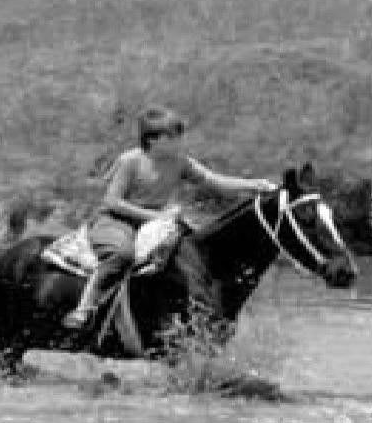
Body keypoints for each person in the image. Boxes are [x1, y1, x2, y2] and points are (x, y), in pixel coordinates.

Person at [63, 105, 278, 329]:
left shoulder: (180, 162)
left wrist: (255, 185)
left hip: (155, 224)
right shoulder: (131, 161)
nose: (179, 142)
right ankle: (83, 309)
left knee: (190, 253)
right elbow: (112, 202)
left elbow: (215, 181)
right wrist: (155, 216)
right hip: (115, 222)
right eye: (173, 137)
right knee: (122, 254)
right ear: (153, 140)